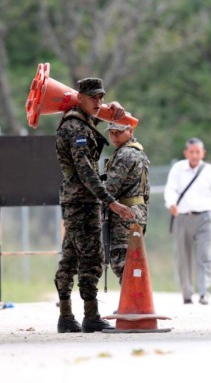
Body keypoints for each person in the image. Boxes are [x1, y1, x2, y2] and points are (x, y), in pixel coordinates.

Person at [54, 78, 136, 333]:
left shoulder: (80, 120)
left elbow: (106, 118)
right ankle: (90, 316)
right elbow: (85, 170)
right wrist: (110, 202)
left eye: (101, 97)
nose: (98, 102)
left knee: (69, 258)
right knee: (91, 257)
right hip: (82, 200)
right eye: (94, 98)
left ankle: (66, 315)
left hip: (75, 199)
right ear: (80, 97)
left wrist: (115, 107)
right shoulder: (76, 128)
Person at [164, 138, 211, 305]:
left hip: (205, 218)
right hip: (182, 217)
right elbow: (170, 188)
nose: (195, 155)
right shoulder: (178, 169)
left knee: (205, 255)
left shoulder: (208, 170)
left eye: (198, 152)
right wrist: (171, 203)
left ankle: (204, 292)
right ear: (186, 153)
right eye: (192, 152)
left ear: (203, 153)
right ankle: (187, 293)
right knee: (183, 256)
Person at [103, 123, 150, 285]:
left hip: (124, 214)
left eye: (119, 132)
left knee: (120, 260)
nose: (114, 136)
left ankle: (133, 302)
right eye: (112, 133)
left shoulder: (125, 155)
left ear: (130, 131)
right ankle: (136, 302)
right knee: (133, 259)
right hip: (137, 212)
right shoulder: (138, 151)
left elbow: (109, 188)